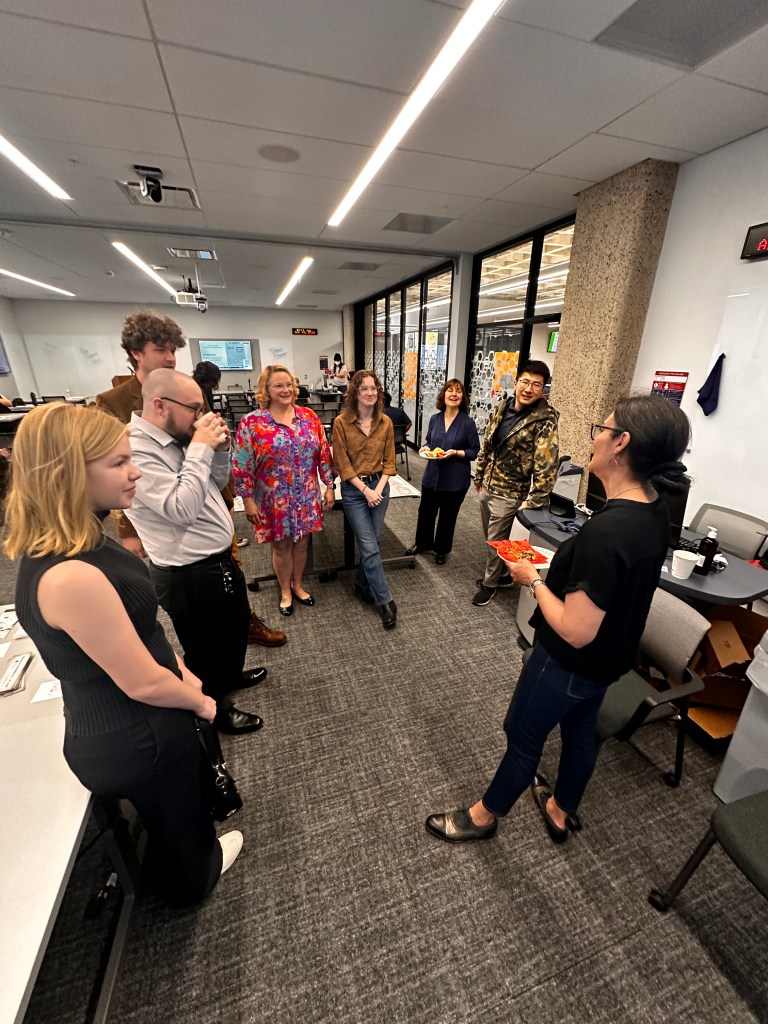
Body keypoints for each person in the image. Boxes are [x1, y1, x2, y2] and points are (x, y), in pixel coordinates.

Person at [425, 394, 691, 845]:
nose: (595, 439)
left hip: (567, 662)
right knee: (581, 731)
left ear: (622, 443)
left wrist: (532, 580)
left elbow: (574, 629)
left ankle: (483, 817)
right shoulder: (653, 509)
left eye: (601, 430)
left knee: (523, 736)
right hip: (608, 660)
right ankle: (561, 809)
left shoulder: (609, 532)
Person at [5, 403, 243, 905]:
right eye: (118, 463)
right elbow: (142, 682)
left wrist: (180, 670)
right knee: (181, 823)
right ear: (68, 474)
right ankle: (196, 881)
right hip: (136, 732)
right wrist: (202, 703)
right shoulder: (69, 576)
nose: (134, 472)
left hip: (133, 718)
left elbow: (137, 631)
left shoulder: (81, 540)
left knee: (175, 812)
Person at [97, 310, 285, 649]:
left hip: (212, 525)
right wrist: (127, 529)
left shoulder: (185, 391)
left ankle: (239, 635)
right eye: (161, 349)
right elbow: (121, 479)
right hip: (180, 550)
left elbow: (211, 474)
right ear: (137, 353)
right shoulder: (122, 417)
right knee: (205, 639)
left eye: (173, 350)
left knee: (229, 616)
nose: (170, 358)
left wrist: (220, 450)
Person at [124, 369, 267, 737]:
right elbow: (181, 509)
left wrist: (218, 451)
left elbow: (214, 483)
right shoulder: (136, 450)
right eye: (193, 408)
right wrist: (202, 446)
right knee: (204, 648)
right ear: (160, 405)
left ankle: (228, 678)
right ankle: (216, 709)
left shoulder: (179, 437)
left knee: (234, 628)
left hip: (216, 560)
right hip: (187, 571)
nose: (200, 416)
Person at [232, 364, 334, 616]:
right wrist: (247, 500)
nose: (286, 390)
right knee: (281, 545)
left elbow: (323, 452)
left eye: (289, 384)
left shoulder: (309, 417)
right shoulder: (252, 423)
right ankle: (285, 590)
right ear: (266, 390)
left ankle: (298, 585)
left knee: (302, 543)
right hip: (273, 498)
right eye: (278, 385)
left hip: (306, 494)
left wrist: (329, 485)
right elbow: (242, 464)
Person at [472, 360, 559, 606]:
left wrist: (534, 500)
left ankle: (490, 584)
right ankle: (501, 576)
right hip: (488, 485)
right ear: (517, 381)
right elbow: (488, 444)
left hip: (510, 492)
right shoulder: (503, 406)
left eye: (536, 385)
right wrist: (479, 475)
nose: (529, 389)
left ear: (543, 389)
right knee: (491, 538)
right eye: (525, 382)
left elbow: (547, 463)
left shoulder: (544, 419)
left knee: (495, 542)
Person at [332, 369, 398, 629]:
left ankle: (361, 584)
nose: (370, 393)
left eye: (374, 388)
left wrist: (378, 489)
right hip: (354, 491)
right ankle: (385, 601)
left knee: (375, 542)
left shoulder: (386, 422)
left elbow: (390, 462)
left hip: (380, 487)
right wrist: (366, 491)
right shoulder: (341, 423)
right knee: (369, 546)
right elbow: (342, 463)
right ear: (355, 392)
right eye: (364, 388)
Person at [406, 379, 479, 565]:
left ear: (462, 397)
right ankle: (422, 543)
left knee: (448, 516)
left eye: (458, 391)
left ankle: (442, 549)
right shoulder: (435, 419)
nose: (454, 394)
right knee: (426, 512)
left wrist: (456, 452)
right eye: (450, 390)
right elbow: (430, 442)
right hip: (432, 476)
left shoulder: (467, 423)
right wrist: (425, 448)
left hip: (455, 480)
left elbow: (474, 451)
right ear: (443, 394)